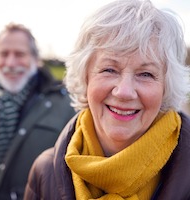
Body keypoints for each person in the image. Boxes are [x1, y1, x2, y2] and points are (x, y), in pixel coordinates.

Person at [24, 0, 190, 199]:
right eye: (109, 70)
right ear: (85, 77)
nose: (124, 92)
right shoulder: (44, 172)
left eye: (145, 74)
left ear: (166, 87)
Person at [0, 23, 75, 200]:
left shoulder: (67, 106)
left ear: (36, 60)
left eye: (20, 54)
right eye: (4, 54)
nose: (11, 63)